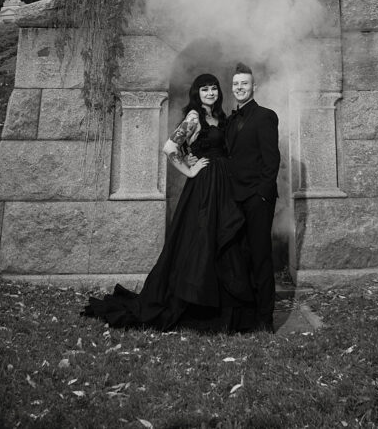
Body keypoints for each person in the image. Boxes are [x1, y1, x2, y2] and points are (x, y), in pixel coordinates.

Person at [82, 73, 253, 331]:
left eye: (214, 88)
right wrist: (190, 169)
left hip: (224, 187)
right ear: (197, 93)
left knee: (222, 239)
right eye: (205, 89)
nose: (210, 93)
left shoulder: (219, 117)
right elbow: (170, 147)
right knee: (202, 240)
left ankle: (222, 304)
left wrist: (193, 155)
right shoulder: (194, 118)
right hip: (205, 189)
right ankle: (195, 302)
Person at [225, 62, 280, 332]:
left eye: (244, 84)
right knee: (239, 256)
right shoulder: (230, 119)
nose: (239, 88)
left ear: (254, 87)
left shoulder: (266, 116)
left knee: (260, 256)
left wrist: (262, 196)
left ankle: (265, 318)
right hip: (234, 199)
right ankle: (245, 314)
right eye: (236, 84)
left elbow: (272, 161)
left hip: (257, 199)